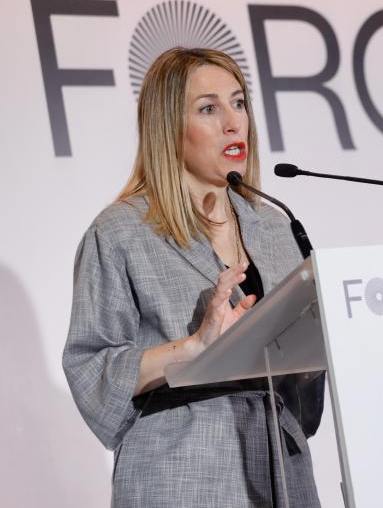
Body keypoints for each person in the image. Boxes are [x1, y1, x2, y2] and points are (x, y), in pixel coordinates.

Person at [62, 47, 324, 508]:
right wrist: (193, 349)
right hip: (182, 473)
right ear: (168, 130)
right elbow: (90, 366)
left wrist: (314, 348)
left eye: (238, 103)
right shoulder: (121, 232)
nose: (233, 122)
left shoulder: (274, 226)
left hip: (281, 471)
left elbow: (301, 392)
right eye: (209, 108)